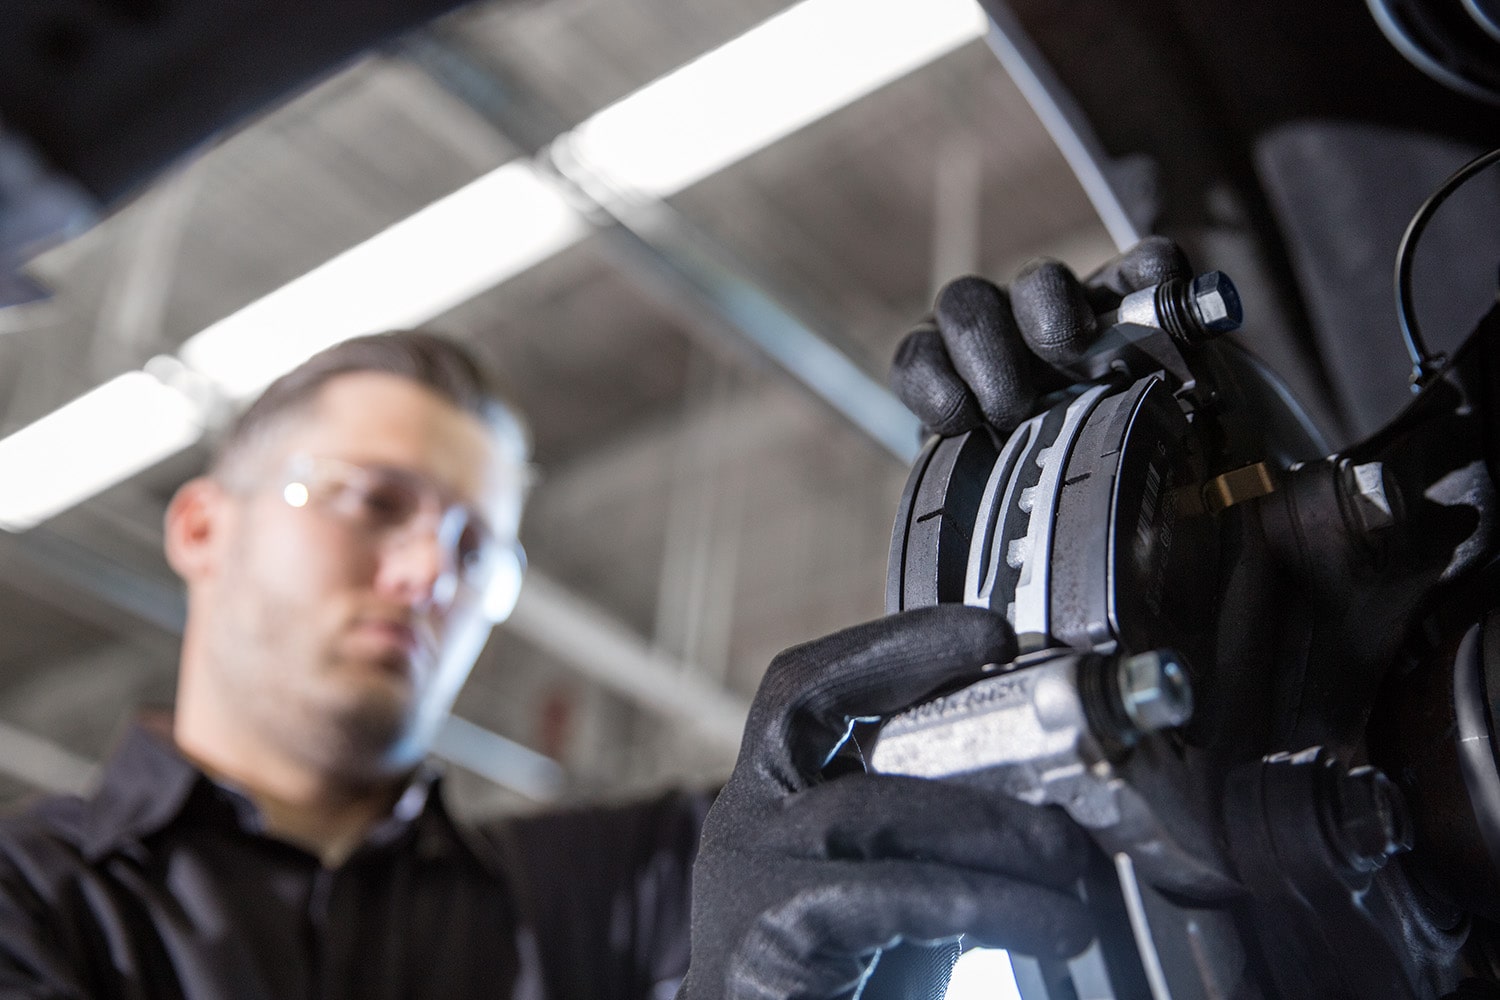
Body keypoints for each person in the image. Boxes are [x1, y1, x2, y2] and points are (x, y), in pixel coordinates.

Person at [0, 241, 1181, 1000]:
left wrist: (1052, 489)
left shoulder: (633, 881)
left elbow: (968, 799)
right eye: (373, 502)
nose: (428, 569)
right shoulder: (29, 903)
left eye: (479, 549)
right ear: (202, 526)